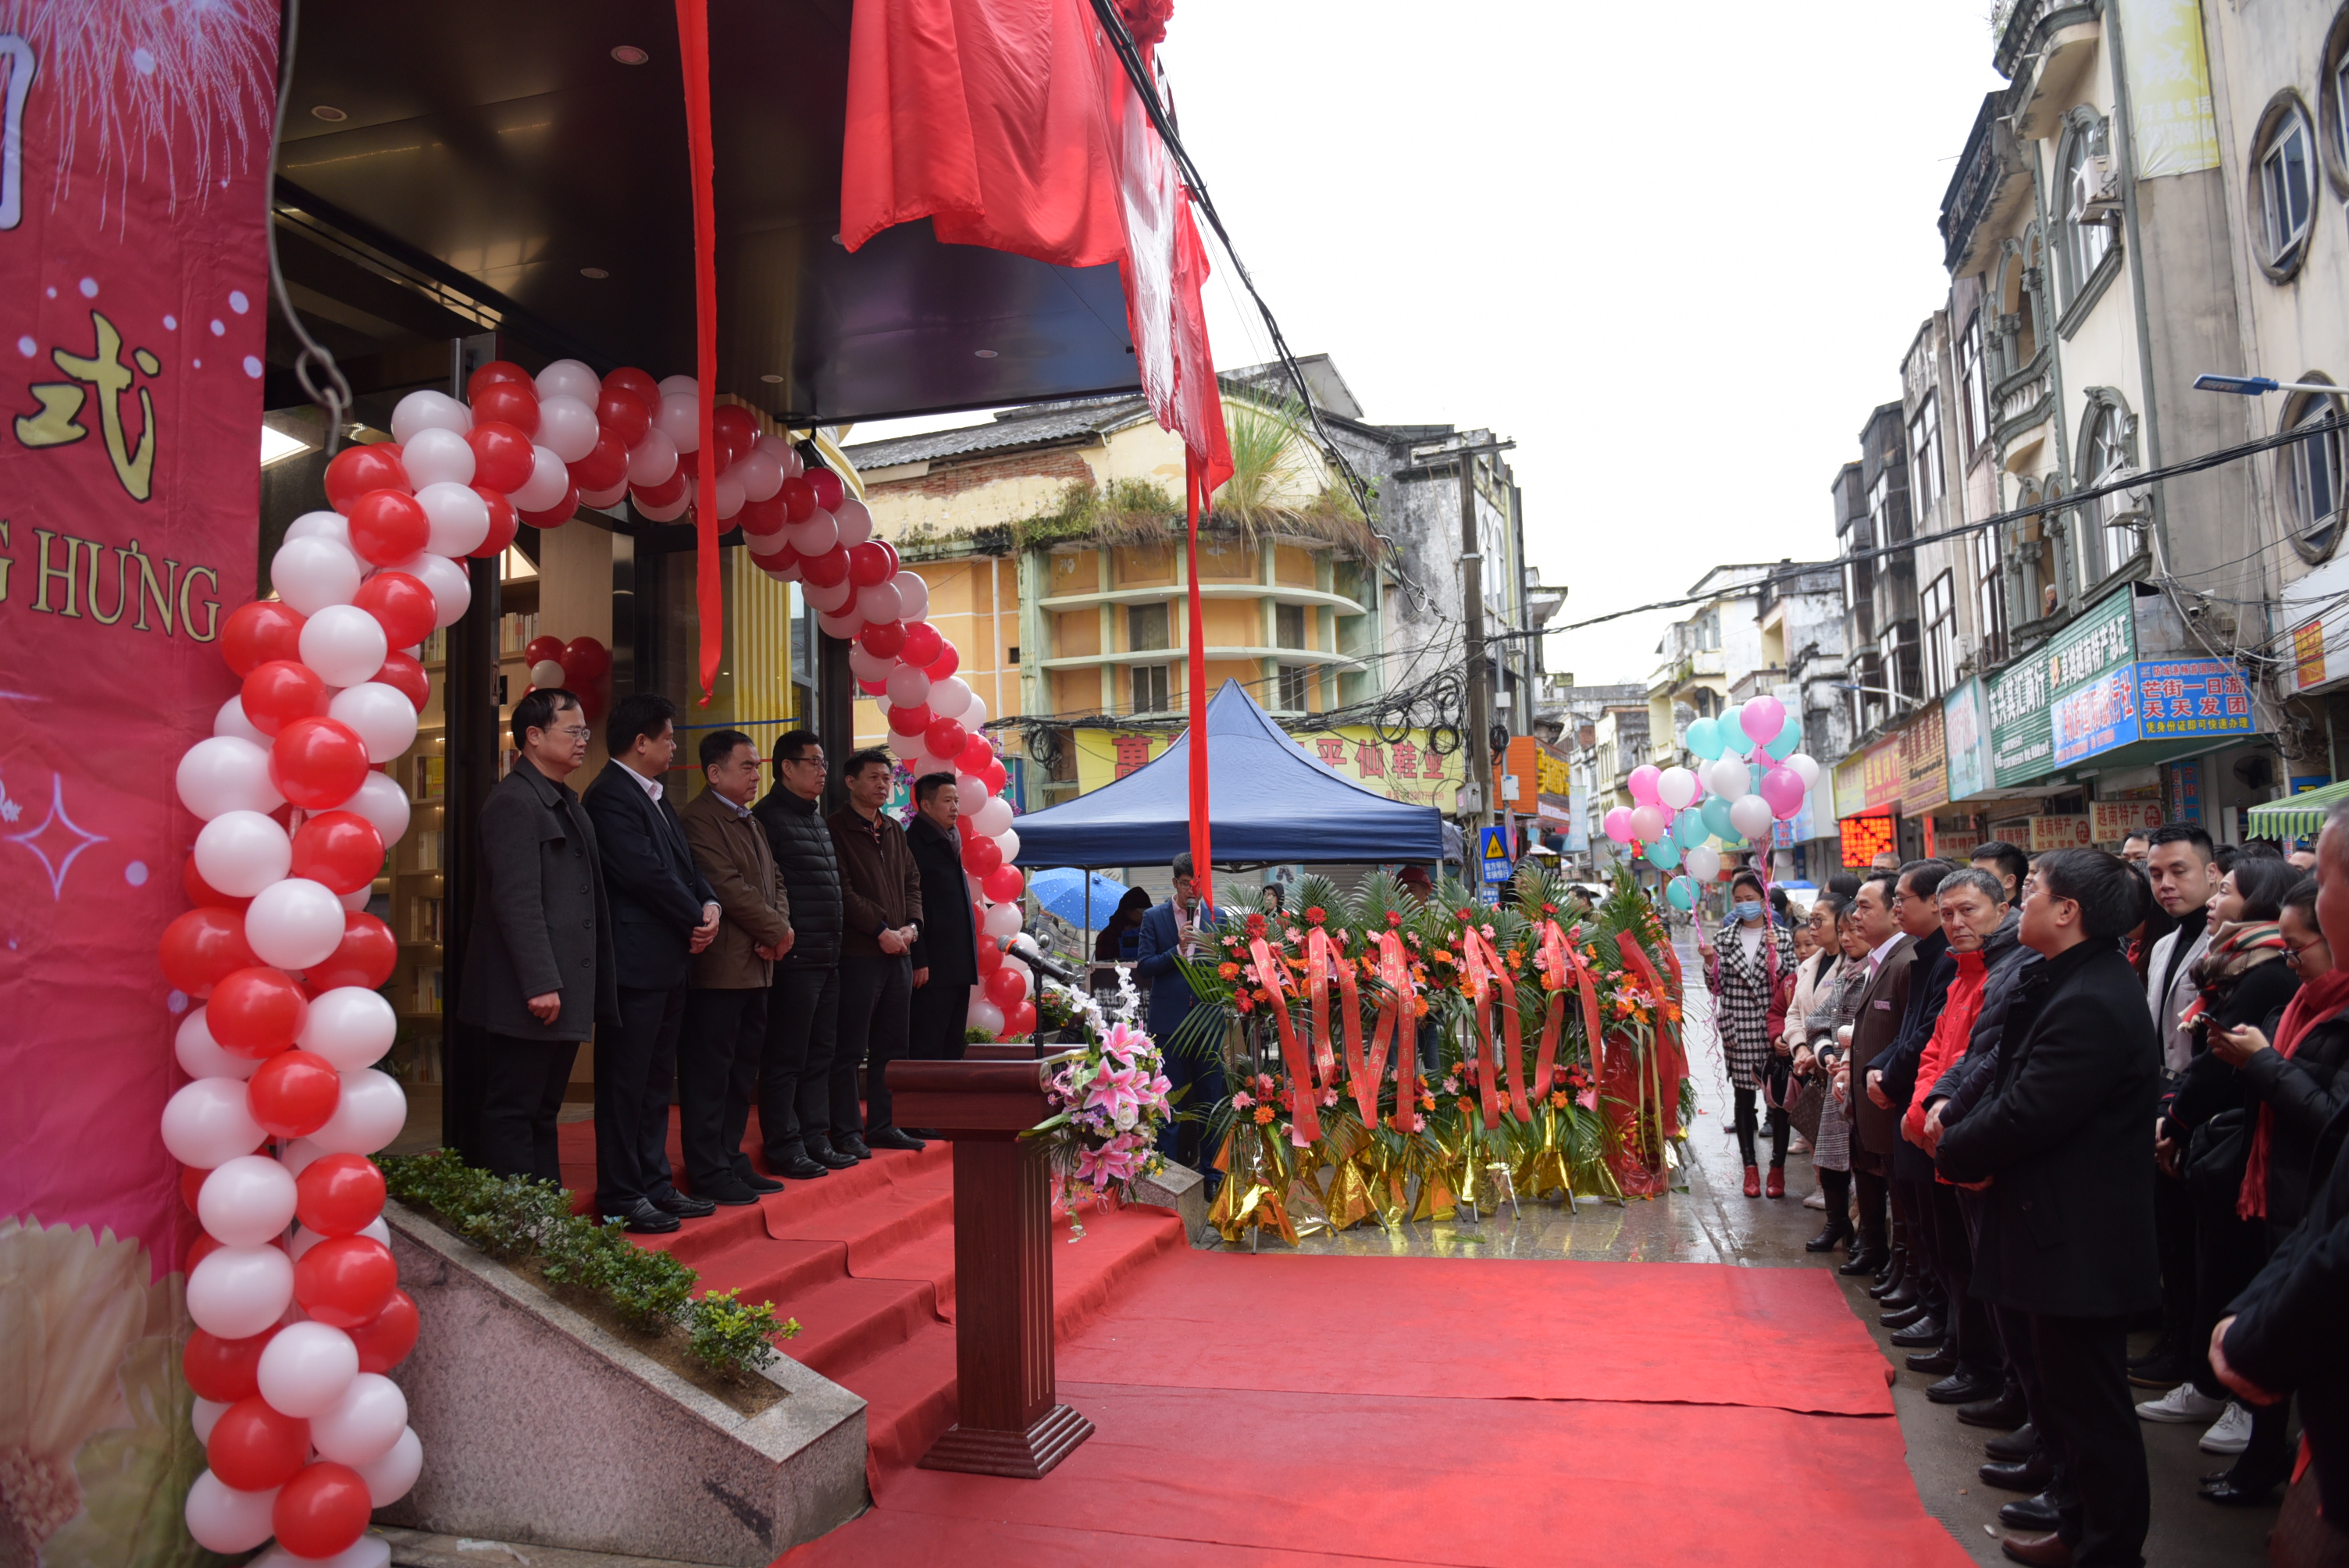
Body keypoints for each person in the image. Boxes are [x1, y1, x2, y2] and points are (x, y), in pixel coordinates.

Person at [1937, 848, 2160, 1568]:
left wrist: (1955, 1145)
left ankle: (2109, 1547)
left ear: (2069, 912)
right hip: (2046, 1228)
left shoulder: (2093, 997)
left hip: (2077, 1240)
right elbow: (2004, 1078)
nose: (2019, 901)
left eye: (2030, 891)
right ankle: (2076, 1523)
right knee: (2059, 1397)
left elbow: (2030, 1110)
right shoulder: (2059, 979)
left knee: (2091, 1407)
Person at [2137, 857, 2304, 1452]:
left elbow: (2219, 1063)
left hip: (2245, 1146)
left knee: (2237, 1274)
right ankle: (2206, 1380)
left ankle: (2242, 1400)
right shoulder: (2229, 961)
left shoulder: (2267, 972)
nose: (2213, 898)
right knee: (2202, 1265)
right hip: (2212, 1134)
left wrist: (2177, 1123)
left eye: (2226, 889)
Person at [2200, 871, 2349, 1504]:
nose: (2288, 962)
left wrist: (2262, 1062)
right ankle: (2266, 1465)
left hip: (2308, 1202)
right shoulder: (2297, 1003)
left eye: (2299, 948)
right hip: (2278, 1197)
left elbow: (2327, 1123)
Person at [456, 690, 618, 1186]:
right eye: (573, 731)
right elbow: (517, 902)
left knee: (544, 1109)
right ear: (532, 736)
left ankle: (544, 1222)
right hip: (528, 993)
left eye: (586, 732)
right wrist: (539, 983)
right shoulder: (514, 803)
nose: (582, 742)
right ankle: (515, 1229)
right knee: (514, 1109)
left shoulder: (563, 801)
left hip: (561, 988)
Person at [579, 693, 722, 1234]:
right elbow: (641, 873)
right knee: (626, 1084)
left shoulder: (657, 797)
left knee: (658, 1082)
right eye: (667, 737)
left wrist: (708, 903)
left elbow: (684, 864)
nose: (673, 745)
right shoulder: (610, 796)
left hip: (669, 962)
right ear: (641, 743)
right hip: (636, 967)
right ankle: (621, 1194)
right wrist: (695, 916)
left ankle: (655, 1183)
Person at [1897, 867, 2013, 1409]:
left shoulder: (2007, 971)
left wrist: (1942, 1116)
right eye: (1948, 914)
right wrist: (1922, 1111)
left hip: (1970, 1137)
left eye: (1969, 911)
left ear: (2003, 908)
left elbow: (1983, 1061)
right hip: (1938, 1132)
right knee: (1949, 1253)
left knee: (1978, 1265)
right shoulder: (1960, 971)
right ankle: (1964, 1352)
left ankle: (1985, 1368)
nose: (1957, 923)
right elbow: (1935, 1051)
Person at [677, 728, 794, 1206]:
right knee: (711, 1072)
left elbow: (777, 880)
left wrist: (781, 927)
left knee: (742, 1072)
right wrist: (775, 931)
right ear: (714, 772)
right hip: (722, 970)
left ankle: (729, 1158)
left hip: (759, 965)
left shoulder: (750, 820)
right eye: (746, 766)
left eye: (756, 766)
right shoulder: (699, 820)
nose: (755, 774)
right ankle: (707, 1167)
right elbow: (725, 887)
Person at [751, 729, 854, 1178]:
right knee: (786, 1057)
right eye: (813, 762)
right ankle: (784, 1143)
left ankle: (816, 1136)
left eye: (824, 762)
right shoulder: (768, 818)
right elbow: (768, 889)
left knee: (821, 1054)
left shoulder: (814, 817)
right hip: (793, 957)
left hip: (828, 955)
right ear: (786, 768)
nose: (822, 771)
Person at [2138, 822, 2219, 1389]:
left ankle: (2199, 1364)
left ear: (2212, 873)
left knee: (2204, 1249)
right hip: (2160, 1105)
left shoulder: (2227, 943)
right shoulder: (2164, 943)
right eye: (2157, 874)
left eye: (2179, 871)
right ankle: (2172, 1344)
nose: (2166, 885)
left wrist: (2179, 1115)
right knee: (2169, 1239)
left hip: (2206, 1109)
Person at [1871, 861, 1957, 1360]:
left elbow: (1931, 1038)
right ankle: (1931, 1307)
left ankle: (1948, 1325)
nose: (1896, 907)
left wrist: (1891, 1076)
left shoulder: (1945, 958)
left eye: (1903, 899)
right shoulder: (1925, 956)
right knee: (1922, 1221)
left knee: (1943, 1232)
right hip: (1909, 1103)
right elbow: (1910, 1035)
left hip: (1928, 1107)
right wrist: (1879, 1070)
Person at [829, 748, 925, 1153]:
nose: (883, 785)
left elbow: (912, 883)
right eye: (874, 778)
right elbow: (842, 891)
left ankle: (885, 1124)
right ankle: (847, 1131)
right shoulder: (834, 828)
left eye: (887, 778)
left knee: (892, 1046)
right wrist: (880, 929)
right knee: (849, 1047)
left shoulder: (893, 829)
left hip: (899, 953)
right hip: (860, 953)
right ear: (851, 782)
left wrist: (912, 926)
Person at [1697, 867, 1795, 1199]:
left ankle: (1777, 1170)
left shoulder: (1781, 937)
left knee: (1779, 1101)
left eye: (1750, 899)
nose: (1743, 905)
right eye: (1738, 900)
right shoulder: (1723, 939)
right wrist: (1711, 963)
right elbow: (1716, 988)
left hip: (1774, 1030)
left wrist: (1776, 955)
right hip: (1739, 1029)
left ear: (1764, 900)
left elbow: (1792, 986)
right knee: (1744, 1099)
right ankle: (1750, 1169)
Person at [1837, 869, 1913, 1280]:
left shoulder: (1908, 961)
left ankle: (1905, 1270)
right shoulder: (1877, 959)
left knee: (1903, 1195)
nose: (1856, 915)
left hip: (1892, 1098)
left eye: (1866, 907)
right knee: (1872, 1176)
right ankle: (1879, 1254)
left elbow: (1910, 1035)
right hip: (1866, 1096)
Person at [1137, 853, 1221, 1170]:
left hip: (1207, 1024)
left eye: (1197, 885)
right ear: (1175, 883)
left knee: (1210, 1103)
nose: (1192, 891)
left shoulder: (1218, 916)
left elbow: (1228, 967)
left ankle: (1212, 1175)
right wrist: (1177, 951)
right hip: (1169, 1025)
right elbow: (1145, 966)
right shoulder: (1154, 918)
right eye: (1186, 884)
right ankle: (1169, 1175)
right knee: (1168, 1104)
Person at [1784, 891, 1850, 1236]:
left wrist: (1823, 1053)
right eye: (1810, 920)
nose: (1811, 928)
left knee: (1847, 1151)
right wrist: (1799, 1049)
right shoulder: (1810, 963)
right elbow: (1796, 1013)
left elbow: (1844, 1018)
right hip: (1814, 1064)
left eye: (1818, 920)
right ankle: (1836, 1216)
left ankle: (1852, 1219)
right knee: (1821, 1145)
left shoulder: (1857, 964)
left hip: (1840, 1067)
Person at [906, 772, 978, 1075]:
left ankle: (947, 1115)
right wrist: (918, 957)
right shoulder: (913, 842)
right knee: (928, 1046)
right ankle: (921, 1118)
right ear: (925, 804)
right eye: (947, 801)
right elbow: (911, 903)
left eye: (957, 800)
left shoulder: (950, 839)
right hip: (932, 965)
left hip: (957, 963)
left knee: (952, 1044)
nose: (955, 807)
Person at [1094, 886, 1152, 962]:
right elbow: (1103, 967)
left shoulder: (1150, 932)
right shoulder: (1108, 936)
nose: (1143, 916)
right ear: (1128, 910)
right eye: (1142, 911)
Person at [1973, 840, 2030, 908]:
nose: (1971, 879)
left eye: (1981, 873)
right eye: (1970, 872)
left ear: (2009, 881)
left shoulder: (2024, 917)